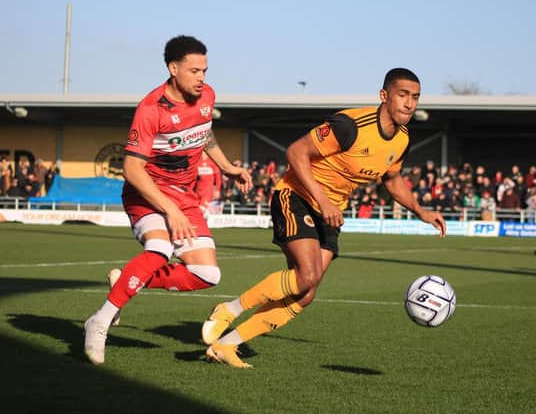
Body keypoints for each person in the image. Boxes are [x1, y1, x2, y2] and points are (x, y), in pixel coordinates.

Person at [201, 68, 446, 368]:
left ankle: (227, 345)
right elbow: (295, 153)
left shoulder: (402, 139)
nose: (410, 103)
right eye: (403, 95)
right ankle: (227, 309)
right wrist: (323, 200)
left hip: (329, 212)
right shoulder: (349, 125)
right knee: (308, 275)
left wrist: (422, 211)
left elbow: (392, 180)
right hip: (296, 196)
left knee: (306, 294)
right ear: (384, 96)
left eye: (415, 97)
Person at [83, 35, 251, 365]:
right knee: (158, 250)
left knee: (207, 274)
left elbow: (204, 134)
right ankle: (99, 322)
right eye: (194, 71)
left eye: (205, 70)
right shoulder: (150, 109)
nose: (202, 77)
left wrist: (228, 167)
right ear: (173, 69)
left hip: (183, 197)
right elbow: (132, 169)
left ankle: (127, 281)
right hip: (146, 193)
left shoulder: (208, 96)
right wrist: (169, 209)